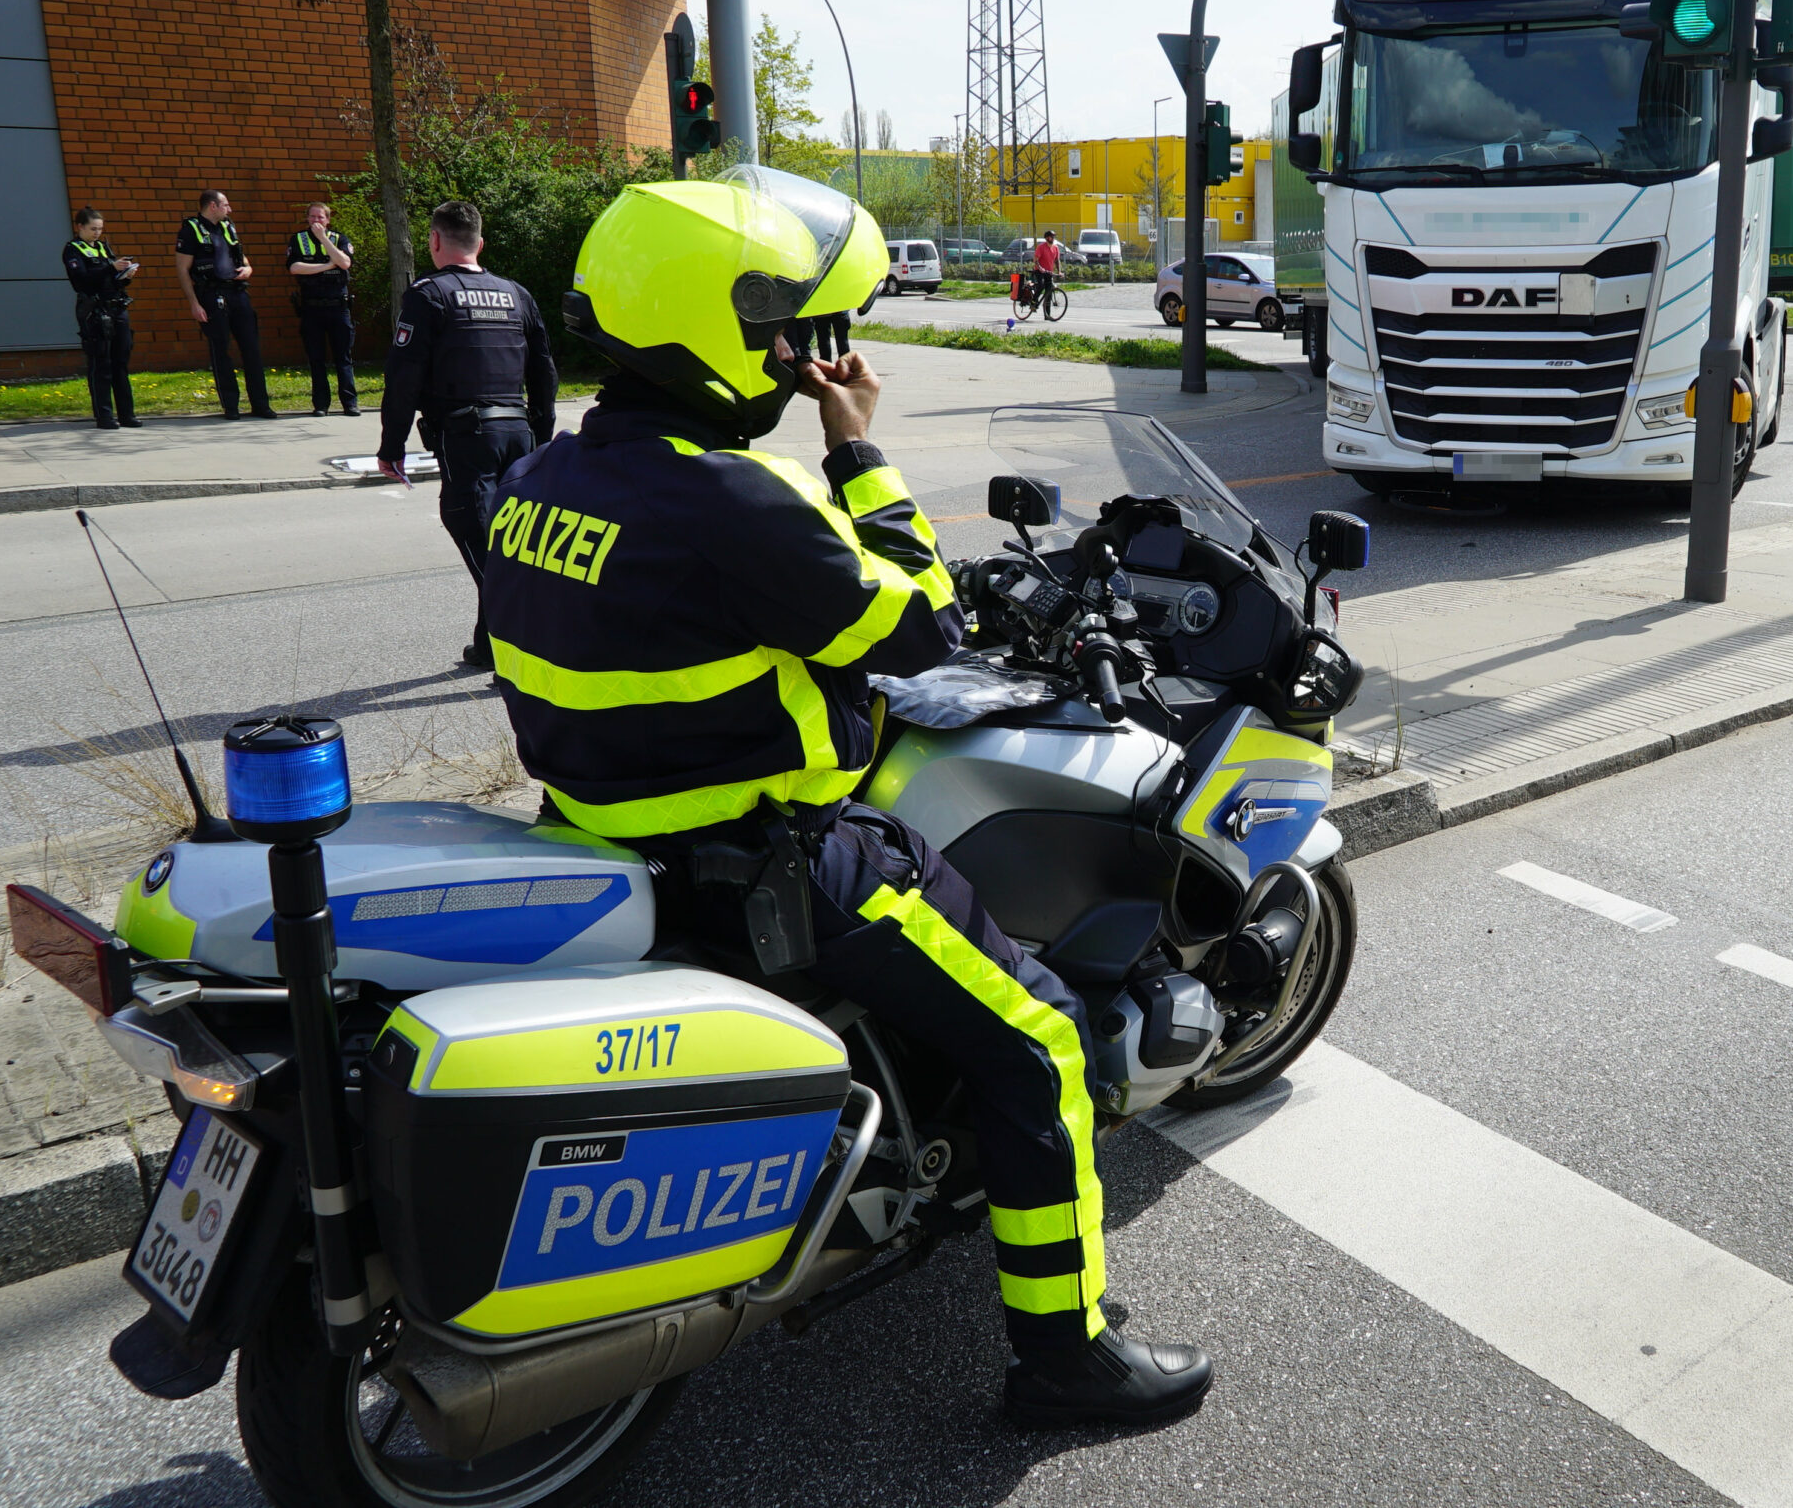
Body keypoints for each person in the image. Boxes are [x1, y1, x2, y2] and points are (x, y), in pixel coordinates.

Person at [491, 165, 1214, 1427]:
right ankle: (1064, 1356)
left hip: (602, 842)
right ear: (716, 327)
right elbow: (922, 625)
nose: (798, 353)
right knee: (1040, 1038)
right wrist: (861, 449)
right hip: (771, 863)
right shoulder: (732, 496)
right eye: (782, 328)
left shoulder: (543, 482)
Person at [376, 199, 557, 668]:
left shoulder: (429, 294)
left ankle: (529, 655)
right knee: (507, 540)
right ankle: (491, 643)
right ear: (480, 244)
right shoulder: (516, 294)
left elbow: (403, 376)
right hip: (519, 434)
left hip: (468, 437)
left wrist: (391, 446)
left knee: (482, 543)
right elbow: (544, 370)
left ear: (435, 241)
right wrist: (542, 435)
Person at [174, 189, 274, 418]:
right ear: (212, 206)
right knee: (221, 351)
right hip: (210, 294)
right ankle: (231, 406)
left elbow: (241, 256)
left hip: (237, 293)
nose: (229, 209)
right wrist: (194, 303)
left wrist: (248, 268)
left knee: (252, 349)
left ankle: (261, 404)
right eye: (225, 205)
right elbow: (182, 269)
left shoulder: (228, 226)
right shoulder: (191, 230)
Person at [62, 207, 139, 429]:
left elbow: (112, 278)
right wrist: (109, 268)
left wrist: (124, 275)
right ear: (80, 227)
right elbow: (82, 281)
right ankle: (104, 415)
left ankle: (127, 414)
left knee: (120, 362)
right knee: (101, 362)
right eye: (93, 229)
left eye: (100, 229)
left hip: (116, 307)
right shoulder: (73, 250)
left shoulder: (103, 248)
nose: (97, 233)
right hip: (95, 311)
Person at [285, 203, 359, 417]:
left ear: (327, 220)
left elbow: (345, 263)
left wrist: (324, 240)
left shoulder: (338, 238)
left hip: (338, 307)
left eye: (321, 217)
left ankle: (350, 403)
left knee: (343, 357)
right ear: (307, 218)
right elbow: (295, 267)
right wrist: (327, 266)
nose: (317, 221)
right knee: (316, 358)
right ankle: (321, 404)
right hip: (312, 308)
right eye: (313, 217)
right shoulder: (298, 239)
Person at [1030, 229, 1061, 305]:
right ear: (1047, 238)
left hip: (1049, 272)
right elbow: (1035, 260)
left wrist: (1059, 271)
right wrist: (1040, 268)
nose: (1053, 238)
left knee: (1049, 293)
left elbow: (1057, 261)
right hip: (1039, 271)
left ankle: (1047, 316)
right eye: (1051, 237)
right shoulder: (1041, 247)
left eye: (1053, 237)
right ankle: (1033, 300)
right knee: (1041, 285)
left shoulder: (1055, 248)